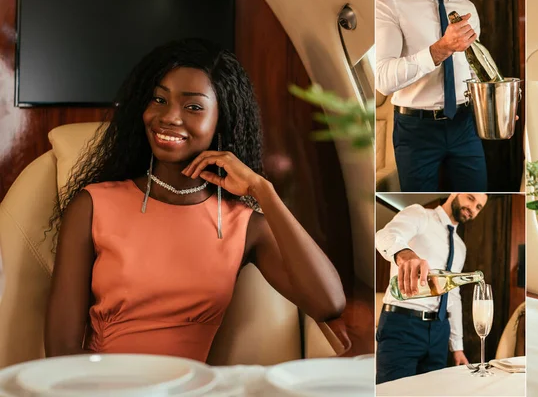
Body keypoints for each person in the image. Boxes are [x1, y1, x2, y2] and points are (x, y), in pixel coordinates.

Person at [44, 38, 346, 361]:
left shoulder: (244, 226)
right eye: (158, 99)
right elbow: (61, 350)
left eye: (193, 107)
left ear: (221, 120)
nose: (169, 117)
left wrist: (263, 190)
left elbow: (328, 302)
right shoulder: (92, 206)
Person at [376, 0, 487, 192]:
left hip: (464, 124)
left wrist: (495, 108)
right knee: (415, 200)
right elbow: (383, 81)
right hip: (415, 129)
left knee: (477, 190)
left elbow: (473, 69)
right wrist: (442, 48)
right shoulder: (388, 3)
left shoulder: (466, 6)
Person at [375, 193, 488, 384]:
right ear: (455, 193)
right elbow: (385, 234)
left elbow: (453, 295)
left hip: (439, 332)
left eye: (478, 207)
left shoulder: (460, 247)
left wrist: (457, 347)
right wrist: (404, 254)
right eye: (470, 198)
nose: (472, 208)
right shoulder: (420, 215)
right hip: (403, 324)